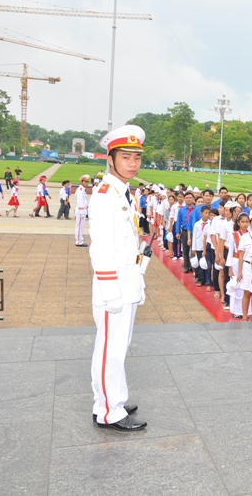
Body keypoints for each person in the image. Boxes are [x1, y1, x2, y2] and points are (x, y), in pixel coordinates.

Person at [88, 124, 148, 431]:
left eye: (137, 157)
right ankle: (107, 410)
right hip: (114, 286)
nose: (133, 163)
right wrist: (110, 290)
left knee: (119, 345)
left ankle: (115, 398)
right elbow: (101, 247)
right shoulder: (105, 195)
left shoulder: (122, 191)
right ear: (110, 159)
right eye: (126, 157)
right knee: (109, 346)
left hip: (128, 282)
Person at [175, 191, 195, 273]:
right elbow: (178, 221)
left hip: (194, 232)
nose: (189, 199)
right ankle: (186, 265)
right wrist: (177, 232)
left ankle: (193, 266)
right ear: (184, 199)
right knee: (185, 250)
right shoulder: (181, 210)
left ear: (193, 199)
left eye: (190, 198)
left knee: (194, 250)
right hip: (185, 231)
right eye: (187, 198)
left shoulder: (196, 209)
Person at [192, 206, 211, 287]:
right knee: (200, 264)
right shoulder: (197, 224)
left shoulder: (210, 223)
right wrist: (194, 248)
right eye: (205, 213)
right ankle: (200, 279)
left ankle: (207, 279)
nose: (207, 215)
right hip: (199, 246)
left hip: (207, 247)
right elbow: (195, 236)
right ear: (201, 214)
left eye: (208, 213)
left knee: (207, 264)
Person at [74, 175, 90, 247]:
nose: (87, 183)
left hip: (83, 210)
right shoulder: (80, 190)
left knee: (81, 227)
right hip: (81, 211)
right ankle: (79, 241)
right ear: (82, 182)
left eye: (87, 182)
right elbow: (80, 202)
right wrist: (82, 212)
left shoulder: (82, 189)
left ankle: (80, 240)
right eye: (85, 182)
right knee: (79, 227)